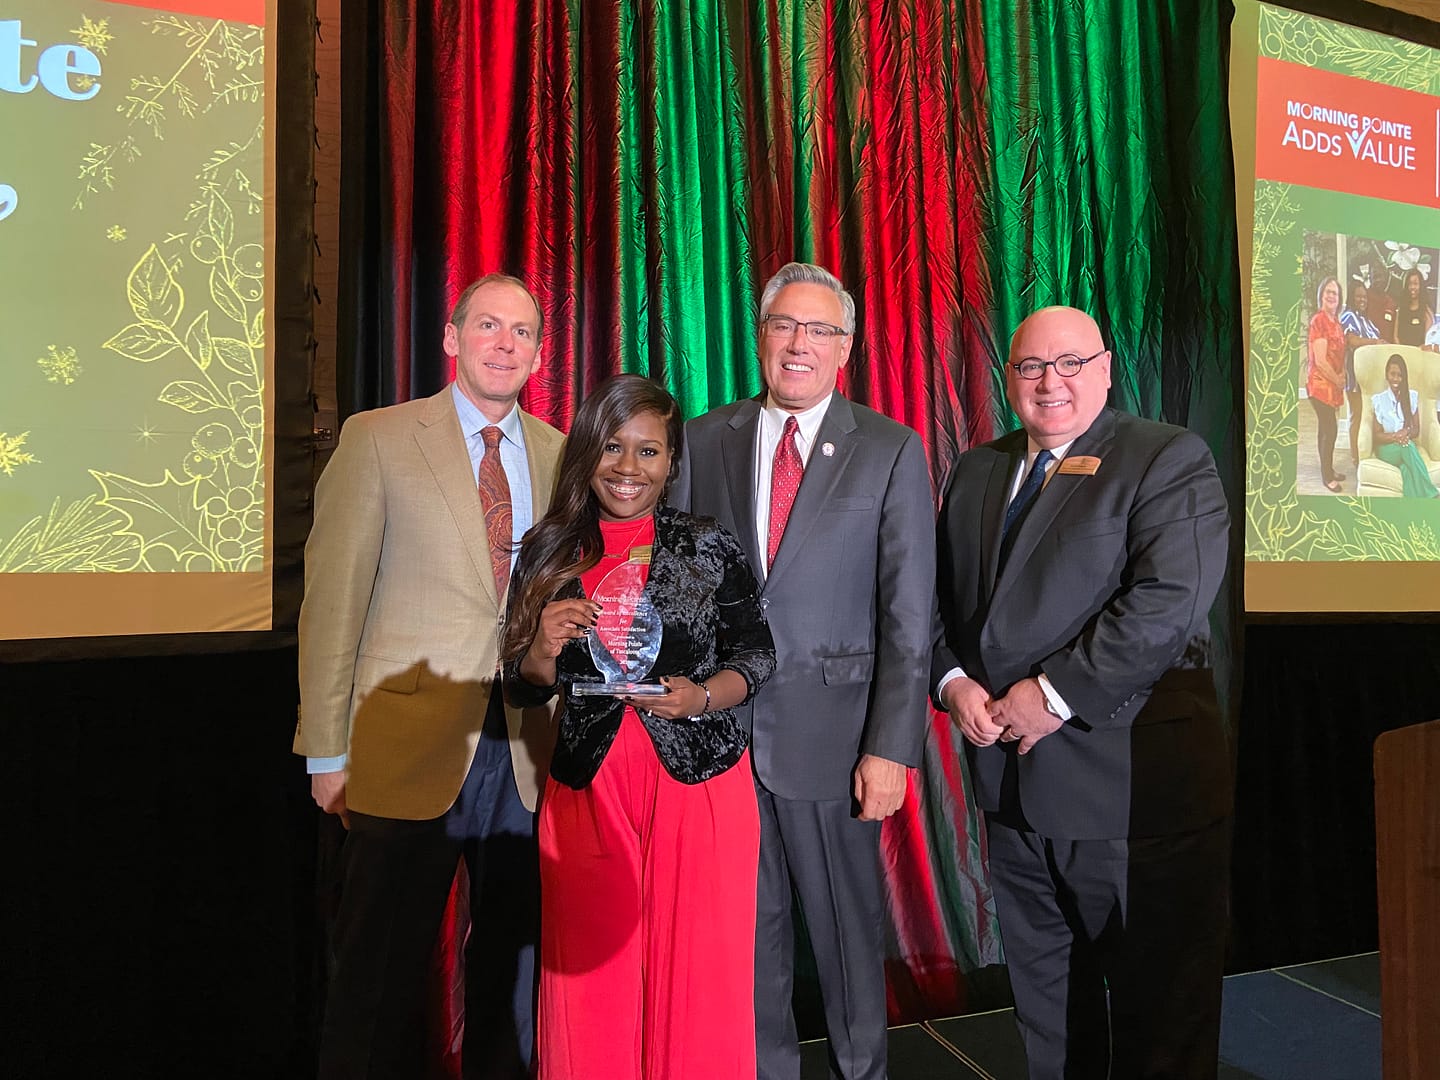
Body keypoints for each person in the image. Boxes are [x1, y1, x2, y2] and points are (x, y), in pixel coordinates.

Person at [932, 306, 1231, 1080]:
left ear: (1104, 368)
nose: (1049, 382)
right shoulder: (976, 471)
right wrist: (953, 679)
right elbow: (933, 606)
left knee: (1159, 1019)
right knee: (1047, 1013)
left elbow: (1168, 604)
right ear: (1009, 379)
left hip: (1131, 794)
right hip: (1012, 791)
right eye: (1031, 366)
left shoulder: (1167, 457)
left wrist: (1053, 695)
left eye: (1069, 363)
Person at [296, 273, 565, 1079]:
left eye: (521, 332)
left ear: (539, 355)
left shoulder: (559, 452)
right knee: (376, 971)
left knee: (512, 974)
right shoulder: (377, 438)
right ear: (452, 338)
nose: (504, 343)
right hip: (400, 746)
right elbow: (333, 599)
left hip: (523, 749)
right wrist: (325, 751)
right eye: (488, 325)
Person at [671, 262, 936, 1080]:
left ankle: (864, 1072)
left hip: (836, 740)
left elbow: (908, 615)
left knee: (847, 939)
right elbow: (682, 588)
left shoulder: (890, 449)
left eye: (820, 330)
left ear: (845, 347)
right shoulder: (704, 439)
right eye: (785, 324)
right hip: (723, 738)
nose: (799, 344)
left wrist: (891, 748)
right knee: (749, 936)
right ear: (761, 335)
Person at [501, 374, 775, 1079]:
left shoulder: (708, 545)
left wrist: (704, 696)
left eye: (648, 451)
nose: (629, 468)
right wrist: (538, 651)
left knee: (698, 982)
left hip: (700, 788)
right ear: (588, 453)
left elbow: (757, 654)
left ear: (672, 461)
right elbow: (525, 687)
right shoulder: (548, 550)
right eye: (613, 448)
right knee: (590, 982)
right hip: (589, 790)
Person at [1371, 353, 1439, 498]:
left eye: (1399, 375)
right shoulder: (1379, 400)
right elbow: (1376, 435)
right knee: (1408, 446)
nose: (1395, 379)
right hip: (1385, 449)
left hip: (1405, 445)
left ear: (1404, 377)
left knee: (1406, 469)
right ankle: (1432, 493)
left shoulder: (1411, 397)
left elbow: (1416, 430)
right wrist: (1396, 436)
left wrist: (1406, 432)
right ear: (1387, 374)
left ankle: (1411, 506)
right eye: (1392, 374)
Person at [1340, 280, 1385, 468]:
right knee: (1357, 416)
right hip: (1355, 377)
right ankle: (1356, 458)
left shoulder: (1367, 320)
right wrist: (1375, 343)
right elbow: (1352, 340)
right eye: (1359, 296)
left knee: (1369, 417)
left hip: (1371, 379)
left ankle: (1367, 452)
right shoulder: (1348, 316)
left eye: (1364, 296)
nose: (1362, 299)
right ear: (1352, 297)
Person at [1307, 276, 1347, 492]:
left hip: (1332, 385)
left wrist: (1342, 375)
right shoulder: (1319, 320)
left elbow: (1339, 355)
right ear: (1321, 295)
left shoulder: (1336, 322)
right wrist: (1338, 379)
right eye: (1328, 291)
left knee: (1326, 428)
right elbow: (1320, 361)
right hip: (1320, 384)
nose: (1332, 295)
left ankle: (1328, 469)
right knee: (1329, 429)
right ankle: (1326, 476)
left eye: (1335, 293)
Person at [1394, 267, 1434, 349]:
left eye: (1415, 284)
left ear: (1421, 286)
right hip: (1402, 353)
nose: (1412, 287)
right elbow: (1395, 336)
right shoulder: (1401, 310)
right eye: (1409, 284)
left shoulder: (1426, 311)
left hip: (1420, 355)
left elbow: (1429, 340)